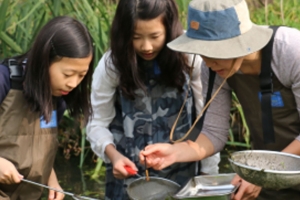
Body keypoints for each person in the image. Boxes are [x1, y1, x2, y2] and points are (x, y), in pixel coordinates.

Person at [140, 0, 300, 200]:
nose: (207, 62)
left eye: (215, 52)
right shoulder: (213, 67)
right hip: (266, 177)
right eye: (202, 52)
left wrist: (263, 172)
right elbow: (214, 133)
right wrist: (175, 152)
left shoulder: (291, 52)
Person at [86, 0, 220, 199]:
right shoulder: (112, 64)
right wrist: (113, 156)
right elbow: (97, 122)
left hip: (182, 174)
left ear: (169, 27)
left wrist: (209, 174)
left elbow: (207, 118)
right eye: (136, 37)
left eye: (155, 36)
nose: (146, 46)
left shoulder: (189, 56)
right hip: (128, 174)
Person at [0, 16, 94, 200]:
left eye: (81, 75)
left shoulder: (58, 98)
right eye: (68, 74)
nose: (73, 83)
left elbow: (39, 148)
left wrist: (52, 181)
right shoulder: (4, 80)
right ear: (44, 61)